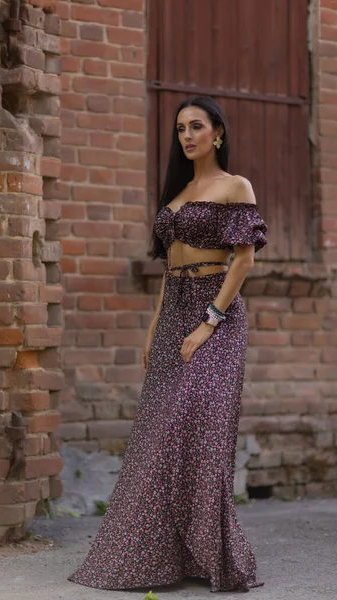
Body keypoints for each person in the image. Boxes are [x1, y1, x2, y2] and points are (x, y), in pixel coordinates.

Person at [68, 96, 267, 593]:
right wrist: (156, 329)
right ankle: (161, 557)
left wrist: (209, 322)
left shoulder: (234, 186)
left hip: (214, 310)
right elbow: (167, 269)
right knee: (158, 434)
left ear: (218, 132)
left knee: (193, 425)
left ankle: (212, 553)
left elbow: (242, 260)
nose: (187, 135)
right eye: (180, 128)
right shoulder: (178, 192)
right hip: (174, 309)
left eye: (197, 126)